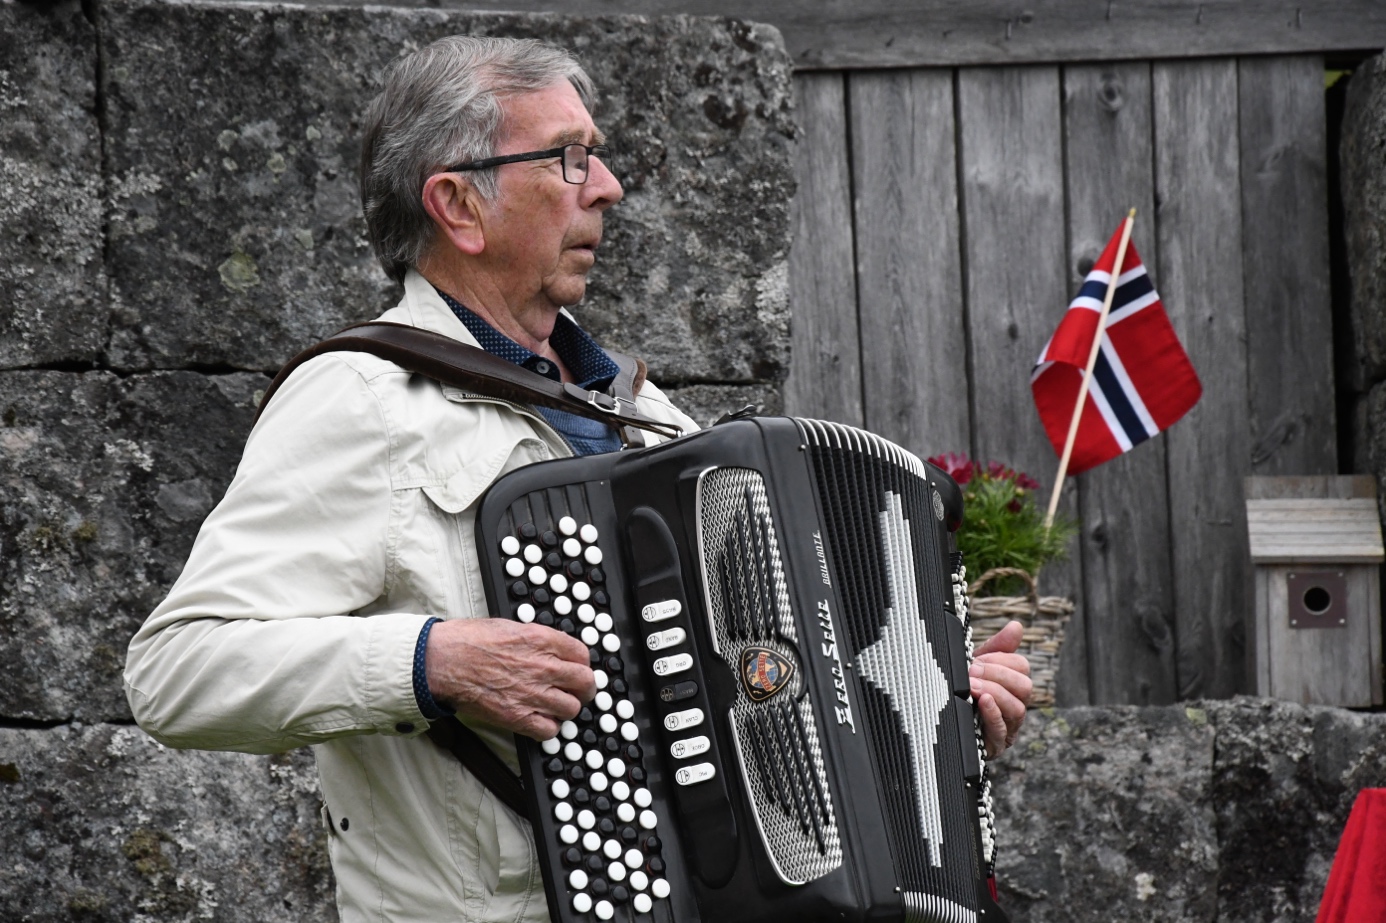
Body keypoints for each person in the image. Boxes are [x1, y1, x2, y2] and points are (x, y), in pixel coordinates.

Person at [124, 35, 1032, 922]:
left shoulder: (646, 416)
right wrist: (428, 661)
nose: (608, 186)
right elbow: (176, 670)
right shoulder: (363, 400)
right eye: (569, 158)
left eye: (595, 156)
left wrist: (932, 708)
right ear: (459, 205)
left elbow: (773, 685)